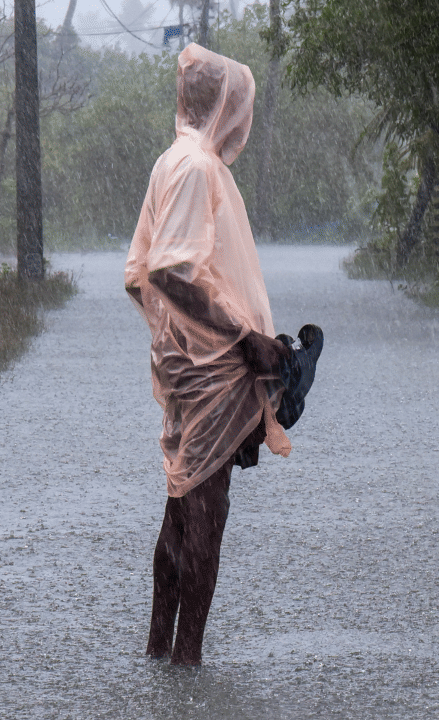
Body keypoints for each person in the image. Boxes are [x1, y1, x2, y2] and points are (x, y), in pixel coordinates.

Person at [125, 43, 290, 666]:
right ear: (225, 107)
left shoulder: (171, 162)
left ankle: (157, 656)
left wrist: (174, 341)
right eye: (240, 105)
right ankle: (186, 664)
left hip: (187, 364)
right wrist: (239, 337)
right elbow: (170, 270)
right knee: (205, 517)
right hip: (212, 369)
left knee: (180, 507)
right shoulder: (195, 169)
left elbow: (136, 273)